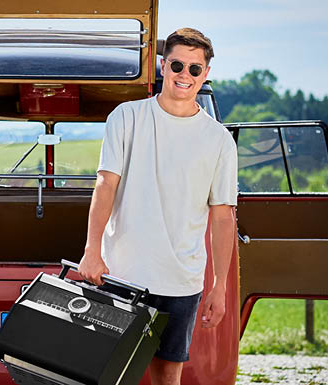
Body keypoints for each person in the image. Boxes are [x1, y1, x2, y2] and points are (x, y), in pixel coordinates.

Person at [78, 28, 237, 385]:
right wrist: (92, 250)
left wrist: (219, 285)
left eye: (195, 69)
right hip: (122, 272)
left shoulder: (219, 140)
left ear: (205, 74)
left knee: (168, 377)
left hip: (183, 280)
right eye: (178, 65)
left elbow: (224, 216)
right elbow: (105, 184)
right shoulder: (127, 116)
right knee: (110, 375)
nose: (185, 75)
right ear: (163, 66)